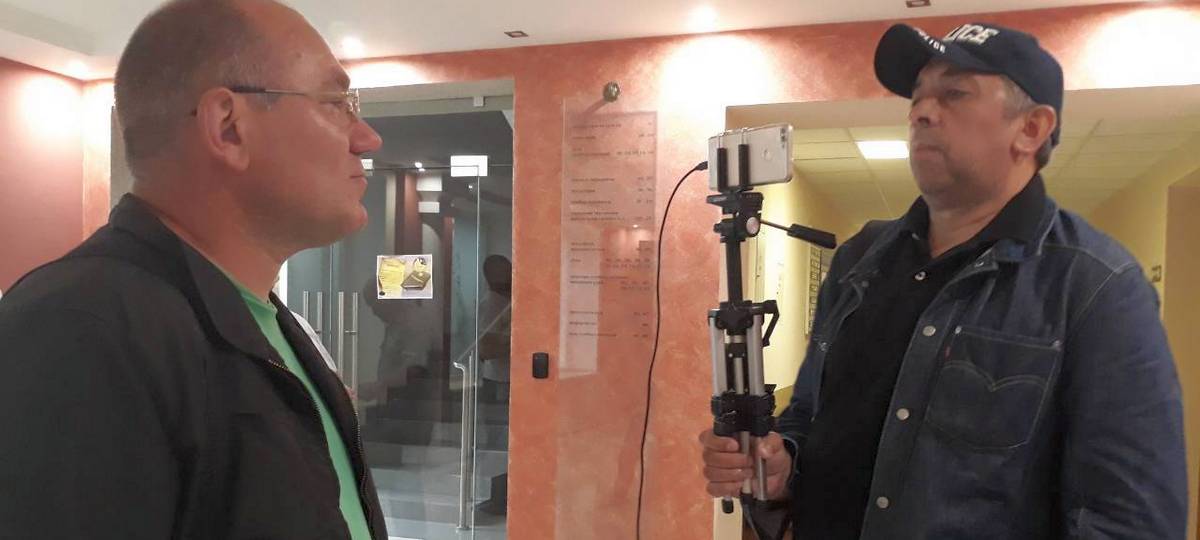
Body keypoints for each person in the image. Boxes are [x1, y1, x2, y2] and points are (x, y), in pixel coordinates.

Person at [699, 22, 1186, 539]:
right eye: (917, 97)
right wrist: (782, 465)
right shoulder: (860, 260)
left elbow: (1131, 522)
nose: (921, 112)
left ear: (1031, 129)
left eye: (954, 93)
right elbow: (809, 416)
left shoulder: (1097, 288)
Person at [0, 0, 387, 538]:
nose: (367, 139)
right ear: (228, 127)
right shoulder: (81, 328)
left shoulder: (269, 323)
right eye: (336, 103)